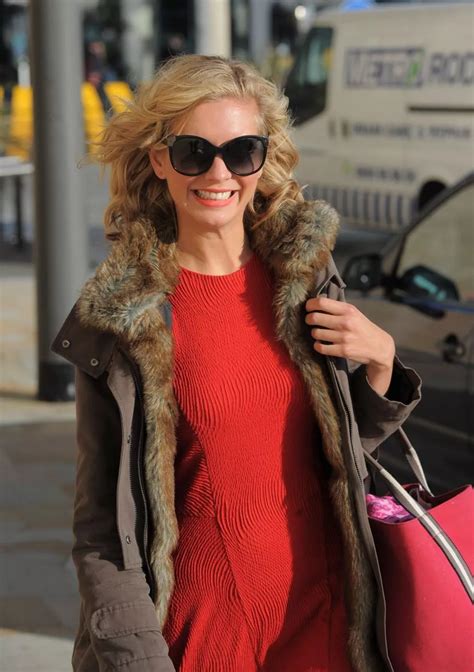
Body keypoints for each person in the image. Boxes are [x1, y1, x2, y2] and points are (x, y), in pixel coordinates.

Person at [52, 55, 421, 672]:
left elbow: (334, 462)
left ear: (263, 156)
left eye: (241, 150)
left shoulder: (304, 279)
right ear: (161, 158)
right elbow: (100, 530)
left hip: (324, 624)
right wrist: (138, 658)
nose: (219, 172)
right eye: (195, 151)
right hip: (195, 639)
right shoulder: (123, 319)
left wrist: (381, 363)